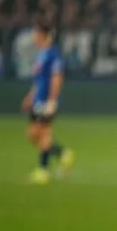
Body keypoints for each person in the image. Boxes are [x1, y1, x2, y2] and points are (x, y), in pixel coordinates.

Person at [23, 13, 75, 185]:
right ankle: (63, 154)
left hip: (46, 101)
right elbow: (39, 80)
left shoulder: (54, 54)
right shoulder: (41, 54)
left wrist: (52, 100)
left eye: (35, 33)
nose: (33, 37)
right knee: (32, 135)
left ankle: (43, 171)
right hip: (38, 100)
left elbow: (57, 78)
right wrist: (30, 96)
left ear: (42, 34)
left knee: (44, 132)